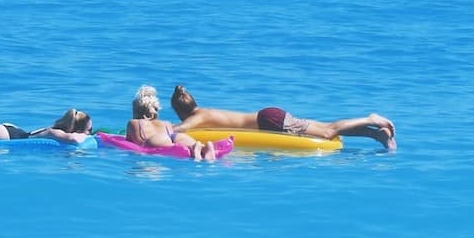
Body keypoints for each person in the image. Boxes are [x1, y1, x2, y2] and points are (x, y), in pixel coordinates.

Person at [169, 84, 396, 150]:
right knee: (327, 129)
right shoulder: (204, 111)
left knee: (329, 131)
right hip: (269, 116)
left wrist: (155, 126)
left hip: (270, 121)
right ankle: (375, 136)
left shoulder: (196, 118)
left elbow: (179, 130)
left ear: (181, 111)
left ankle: (370, 119)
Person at [124, 85, 218, 160]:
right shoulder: (166, 123)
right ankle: (200, 147)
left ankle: (195, 153)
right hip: (175, 137)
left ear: (136, 110)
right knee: (187, 144)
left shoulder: (133, 122)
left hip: (155, 140)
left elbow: (128, 143)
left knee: (170, 148)